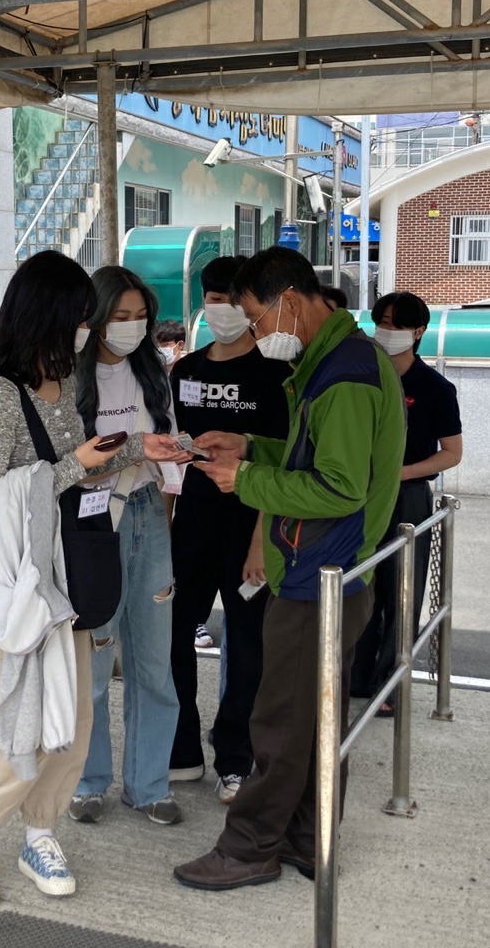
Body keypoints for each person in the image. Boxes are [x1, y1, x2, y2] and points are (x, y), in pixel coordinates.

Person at [0, 250, 184, 910]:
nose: (89, 328)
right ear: (50, 314)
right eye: (82, 316)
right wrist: (74, 464)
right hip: (26, 579)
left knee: (73, 717)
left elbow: (80, 465)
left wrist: (138, 448)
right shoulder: (3, 393)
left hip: (72, 568)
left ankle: (39, 831)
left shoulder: (61, 381)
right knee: (24, 714)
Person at [171, 246, 406, 891]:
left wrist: (243, 479)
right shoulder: (334, 361)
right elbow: (312, 457)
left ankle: (249, 847)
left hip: (319, 571)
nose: (253, 331)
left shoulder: (346, 374)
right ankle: (308, 837)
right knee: (313, 721)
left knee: (278, 722)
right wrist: (250, 445)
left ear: (291, 304)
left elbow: (338, 488)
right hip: (328, 569)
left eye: (256, 317)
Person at [167, 256, 290, 805]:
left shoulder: (276, 375)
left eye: (232, 301)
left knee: (247, 649)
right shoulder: (184, 371)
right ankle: (182, 751)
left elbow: (281, 464)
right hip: (191, 527)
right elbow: (169, 456)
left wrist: (262, 540)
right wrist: (167, 527)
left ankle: (235, 758)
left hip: (250, 527)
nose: (222, 310)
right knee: (174, 638)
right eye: (214, 299)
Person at [70, 266, 182, 828]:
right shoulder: (67, 376)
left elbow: (168, 449)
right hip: (91, 525)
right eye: (120, 316)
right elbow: (70, 465)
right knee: (93, 662)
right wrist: (134, 451)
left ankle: (149, 784)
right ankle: (87, 781)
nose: (132, 327)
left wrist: (164, 514)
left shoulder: (153, 370)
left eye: (141, 317)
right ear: (93, 317)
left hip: (147, 514)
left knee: (154, 662)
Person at [351, 291, 463, 713]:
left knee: (401, 593)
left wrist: (398, 473)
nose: (387, 330)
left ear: (419, 332)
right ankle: (354, 676)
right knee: (357, 586)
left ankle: (389, 685)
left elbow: (451, 453)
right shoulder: (360, 375)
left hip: (406, 499)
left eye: (397, 324)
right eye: (382, 321)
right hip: (357, 494)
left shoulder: (435, 388)